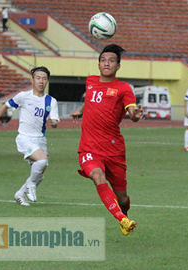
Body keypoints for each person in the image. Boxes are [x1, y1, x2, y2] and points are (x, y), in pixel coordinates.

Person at [70, 44, 143, 236]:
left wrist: (135, 115)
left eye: (111, 60)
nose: (106, 63)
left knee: (123, 198)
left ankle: (123, 212)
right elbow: (92, 102)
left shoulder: (123, 88)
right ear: (98, 63)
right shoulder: (90, 81)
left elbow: (131, 111)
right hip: (89, 148)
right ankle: (123, 220)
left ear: (118, 66)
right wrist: (81, 111)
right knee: (97, 176)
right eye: (103, 60)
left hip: (114, 150)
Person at [0, 66, 59, 206]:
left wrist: (54, 122)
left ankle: (20, 194)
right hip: (24, 138)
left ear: (47, 81)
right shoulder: (23, 96)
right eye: (38, 78)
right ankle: (30, 186)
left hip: (40, 140)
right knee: (41, 161)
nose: (41, 81)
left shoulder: (51, 101)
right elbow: (5, 105)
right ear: (33, 80)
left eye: (44, 78)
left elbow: (54, 120)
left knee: (40, 174)